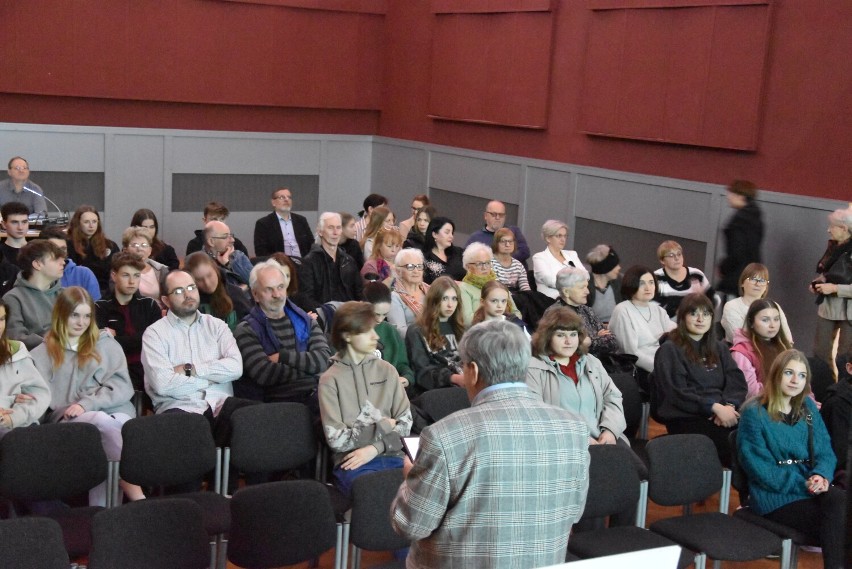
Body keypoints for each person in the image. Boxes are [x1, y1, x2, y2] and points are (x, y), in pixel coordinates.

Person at [391, 320, 590, 569]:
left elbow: (411, 523)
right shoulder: (573, 427)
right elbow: (574, 512)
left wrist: (411, 477)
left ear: (472, 371)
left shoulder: (445, 435)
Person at [31, 287, 145, 504]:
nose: (81, 322)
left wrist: (88, 403)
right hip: (68, 417)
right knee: (101, 423)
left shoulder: (106, 345)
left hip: (115, 409)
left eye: (86, 316)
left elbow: (121, 387)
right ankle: (138, 497)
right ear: (61, 315)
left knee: (113, 431)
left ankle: (104, 515)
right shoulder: (40, 354)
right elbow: (39, 398)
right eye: (75, 315)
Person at [737, 349, 846, 569]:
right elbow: (761, 470)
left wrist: (821, 475)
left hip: (810, 487)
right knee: (840, 513)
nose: (796, 380)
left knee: (841, 506)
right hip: (774, 496)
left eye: (802, 375)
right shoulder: (754, 414)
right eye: (789, 373)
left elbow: (825, 451)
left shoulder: (808, 409)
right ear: (777, 374)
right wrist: (804, 484)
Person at [319, 301, 412, 497]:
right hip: (353, 461)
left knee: (423, 487)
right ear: (347, 335)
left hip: (393, 455)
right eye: (368, 331)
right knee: (376, 495)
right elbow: (337, 440)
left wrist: (374, 448)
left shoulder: (387, 370)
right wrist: (384, 426)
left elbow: (405, 425)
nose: (376, 336)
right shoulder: (330, 380)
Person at [141, 270, 244, 442]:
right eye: (179, 291)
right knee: (191, 429)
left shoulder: (217, 326)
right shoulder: (154, 334)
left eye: (191, 287)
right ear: (166, 300)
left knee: (257, 417)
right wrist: (211, 379)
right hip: (180, 407)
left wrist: (192, 370)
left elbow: (236, 368)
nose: (188, 294)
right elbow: (163, 385)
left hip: (222, 406)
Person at [651, 293, 748, 465]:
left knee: (756, 434)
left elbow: (736, 380)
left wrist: (729, 406)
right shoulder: (669, 350)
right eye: (694, 313)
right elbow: (677, 393)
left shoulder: (719, 347)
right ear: (683, 317)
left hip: (722, 411)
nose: (700, 319)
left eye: (706, 314)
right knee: (734, 444)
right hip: (687, 416)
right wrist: (713, 407)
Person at [234, 260, 331, 408]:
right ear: (255, 294)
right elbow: (265, 374)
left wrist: (282, 357)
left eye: (280, 287)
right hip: (279, 404)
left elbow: (323, 360)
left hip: (317, 393)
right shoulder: (246, 329)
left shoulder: (306, 321)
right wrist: (308, 368)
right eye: (269, 289)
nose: (277, 294)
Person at [526, 307, 628, 448]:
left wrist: (610, 430)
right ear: (547, 337)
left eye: (573, 335)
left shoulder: (592, 362)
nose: (569, 341)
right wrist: (577, 438)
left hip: (602, 439)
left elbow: (613, 397)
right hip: (561, 444)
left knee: (634, 468)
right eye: (561, 335)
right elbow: (534, 414)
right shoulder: (533, 368)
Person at [95, 252, 163, 395]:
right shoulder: (100, 307)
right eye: (126, 275)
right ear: (114, 276)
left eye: (136, 276)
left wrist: (117, 338)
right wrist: (142, 337)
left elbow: (156, 341)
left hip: (150, 368)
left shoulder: (149, 305)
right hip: (114, 372)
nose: (132, 281)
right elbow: (103, 347)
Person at [609, 265, 676, 392]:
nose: (648, 288)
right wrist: (660, 368)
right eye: (642, 283)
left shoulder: (658, 310)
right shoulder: (623, 310)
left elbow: (675, 336)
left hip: (664, 364)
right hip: (639, 369)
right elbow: (630, 352)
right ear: (631, 285)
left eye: (651, 283)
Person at [810, 206, 852, 378]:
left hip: (849, 311)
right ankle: (823, 391)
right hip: (827, 308)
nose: (828, 230)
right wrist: (820, 282)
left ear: (844, 228)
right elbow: (828, 272)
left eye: (832, 226)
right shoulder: (832, 248)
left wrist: (835, 288)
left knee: (845, 357)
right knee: (820, 355)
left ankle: (843, 393)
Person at [544, 266, 618, 363]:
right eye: (582, 287)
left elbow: (612, 342)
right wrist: (597, 338)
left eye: (586, 286)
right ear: (566, 292)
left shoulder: (587, 310)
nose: (587, 291)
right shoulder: (555, 314)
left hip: (597, 365)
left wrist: (589, 341)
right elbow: (565, 348)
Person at [404, 276, 464, 395]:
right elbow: (422, 372)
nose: (450, 305)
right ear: (434, 300)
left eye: (454, 299)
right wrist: (454, 378)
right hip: (435, 392)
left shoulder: (460, 328)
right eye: (445, 299)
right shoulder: (416, 331)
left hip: (463, 386)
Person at [0, 299, 50, 438]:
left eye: (2, 319)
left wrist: (15, 416)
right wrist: (10, 400)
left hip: (18, 426)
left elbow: (39, 394)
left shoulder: (16, 350)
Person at [2, 240, 65, 350]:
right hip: (34, 358)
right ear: (37, 264)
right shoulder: (13, 298)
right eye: (55, 259)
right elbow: (16, 338)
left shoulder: (65, 294)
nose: (63, 262)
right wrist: (51, 342)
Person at [298, 212, 363, 312]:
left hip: (350, 316)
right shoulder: (309, 263)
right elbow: (306, 299)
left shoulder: (348, 261)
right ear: (320, 232)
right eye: (330, 228)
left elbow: (359, 292)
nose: (335, 232)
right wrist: (328, 312)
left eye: (338, 227)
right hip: (326, 316)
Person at [730, 299, 793, 398]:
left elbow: (804, 386)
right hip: (762, 406)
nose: (772, 325)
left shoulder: (784, 346)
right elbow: (751, 393)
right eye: (765, 320)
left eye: (776, 319)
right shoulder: (741, 352)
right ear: (751, 323)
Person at [721, 263, 793, 344]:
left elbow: (787, 339)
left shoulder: (774, 306)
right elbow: (739, 338)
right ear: (742, 283)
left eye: (762, 280)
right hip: (742, 353)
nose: (757, 284)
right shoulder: (732, 306)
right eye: (753, 279)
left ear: (766, 286)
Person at [363, 282, 414, 390]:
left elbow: (403, 365)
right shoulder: (351, 330)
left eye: (385, 314)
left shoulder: (390, 331)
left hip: (391, 390)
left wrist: (406, 378)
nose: (379, 319)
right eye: (376, 314)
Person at [457, 242, 522, 328]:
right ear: (468, 267)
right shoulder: (464, 288)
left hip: (506, 331)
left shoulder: (498, 285)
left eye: (487, 263)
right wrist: (497, 319)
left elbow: (517, 313)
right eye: (479, 264)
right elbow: (467, 320)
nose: (485, 268)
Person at [717, 180, 763, 300]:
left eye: (731, 193)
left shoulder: (739, 222)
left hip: (737, 278)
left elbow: (736, 253)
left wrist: (724, 267)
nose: (728, 197)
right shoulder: (756, 217)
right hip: (754, 276)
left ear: (740, 196)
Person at [184, 252, 251, 331]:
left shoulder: (235, 293)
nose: (207, 283)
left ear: (216, 270)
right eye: (199, 280)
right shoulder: (188, 300)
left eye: (209, 275)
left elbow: (250, 324)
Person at [653, 240, 715, 319]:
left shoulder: (696, 274)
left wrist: (702, 299)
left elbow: (715, 300)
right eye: (671, 255)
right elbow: (653, 309)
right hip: (666, 327)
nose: (677, 258)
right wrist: (683, 308)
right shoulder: (656, 278)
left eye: (679, 254)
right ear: (662, 260)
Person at [66, 205, 118, 296]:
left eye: (94, 221)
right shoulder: (68, 245)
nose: (91, 225)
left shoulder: (110, 246)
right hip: (78, 293)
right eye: (86, 222)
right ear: (78, 223)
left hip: (105, 292)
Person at [253, 187, 314, 261]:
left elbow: (312, 244)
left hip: (303, 263)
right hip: (280, 265)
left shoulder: (301, 220)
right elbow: (261, 252)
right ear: (273, 202)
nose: (286, 199)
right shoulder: (263, 224)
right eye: (282, 197)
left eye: (289, 197)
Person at [39, 226, 100, 301]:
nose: (60, 253)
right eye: (54, 249)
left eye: (63, 249)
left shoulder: (84, 274)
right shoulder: (37, 276)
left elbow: (95, 308)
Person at [465, 200, 531, 267]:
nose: (497, 218)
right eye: (493, 214)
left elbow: (524, 252)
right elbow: (468, 260)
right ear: (485, 216)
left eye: (501, 215)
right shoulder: (475, 238)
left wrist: (501, 259)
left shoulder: (514, 231)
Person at [532, 219, 583, 299]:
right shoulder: (539, 257)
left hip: (574, 299)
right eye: (559, 236)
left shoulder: (572, 254)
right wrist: (577, 283)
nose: (563, 239)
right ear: (548, 238)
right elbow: (551, 281)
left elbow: (585, 276)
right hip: (551, 301)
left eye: (565, 236)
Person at [387, 248, 429, 338]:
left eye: (419, 266)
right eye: (410, 267)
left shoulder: (431, 291)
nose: (416, 271)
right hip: (413, 346)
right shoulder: (394, 297)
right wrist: (426, 338)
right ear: (398, 271)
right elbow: (399, 331)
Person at [121, 227, 169, 304]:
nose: (139, 249)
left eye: (144, 245)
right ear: (125, 250)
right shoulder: (119, 272)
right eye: (134, 245)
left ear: (150, 250)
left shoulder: (162, 270)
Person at [202, 219, 253, 290]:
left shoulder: (238, 255)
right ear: (211, 242)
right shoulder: (199, 262)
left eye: (231, 236)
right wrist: (238, 290)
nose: (233, 240)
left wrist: (228, 264)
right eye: (226, 237)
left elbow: (254, 282)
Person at [185, 201, 249, 257]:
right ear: (204, 221)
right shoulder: (195, 244)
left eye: (222, 219)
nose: (218, 223)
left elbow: (247, 269)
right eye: (214, 219)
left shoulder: (235, 243)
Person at [585, 244, 622, 325]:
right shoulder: (585, 286)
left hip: (616, 327)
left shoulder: (619, 281)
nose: (619, 268)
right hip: (595, 331)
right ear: (605, 268)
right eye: (615, 265)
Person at [422, 216, 464, 284]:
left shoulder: (459, 253)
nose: (451, 236)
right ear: (435, 234)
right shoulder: (424, 258)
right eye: (447, 232)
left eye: (452, 233)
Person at [491, 227, 530, 292]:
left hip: (516, 297)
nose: (507, 245)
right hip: (498, 296)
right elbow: (496, 287)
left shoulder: (518, 265)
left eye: (510, 241)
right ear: (496, 243)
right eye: (503, 241)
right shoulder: (490, 263)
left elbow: (525, 288)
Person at [0, 201, 31, 266]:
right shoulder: (1, 254)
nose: (20, 227)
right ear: (4, 224)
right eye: (14, 222)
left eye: (24, 222)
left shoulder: (39, 250)